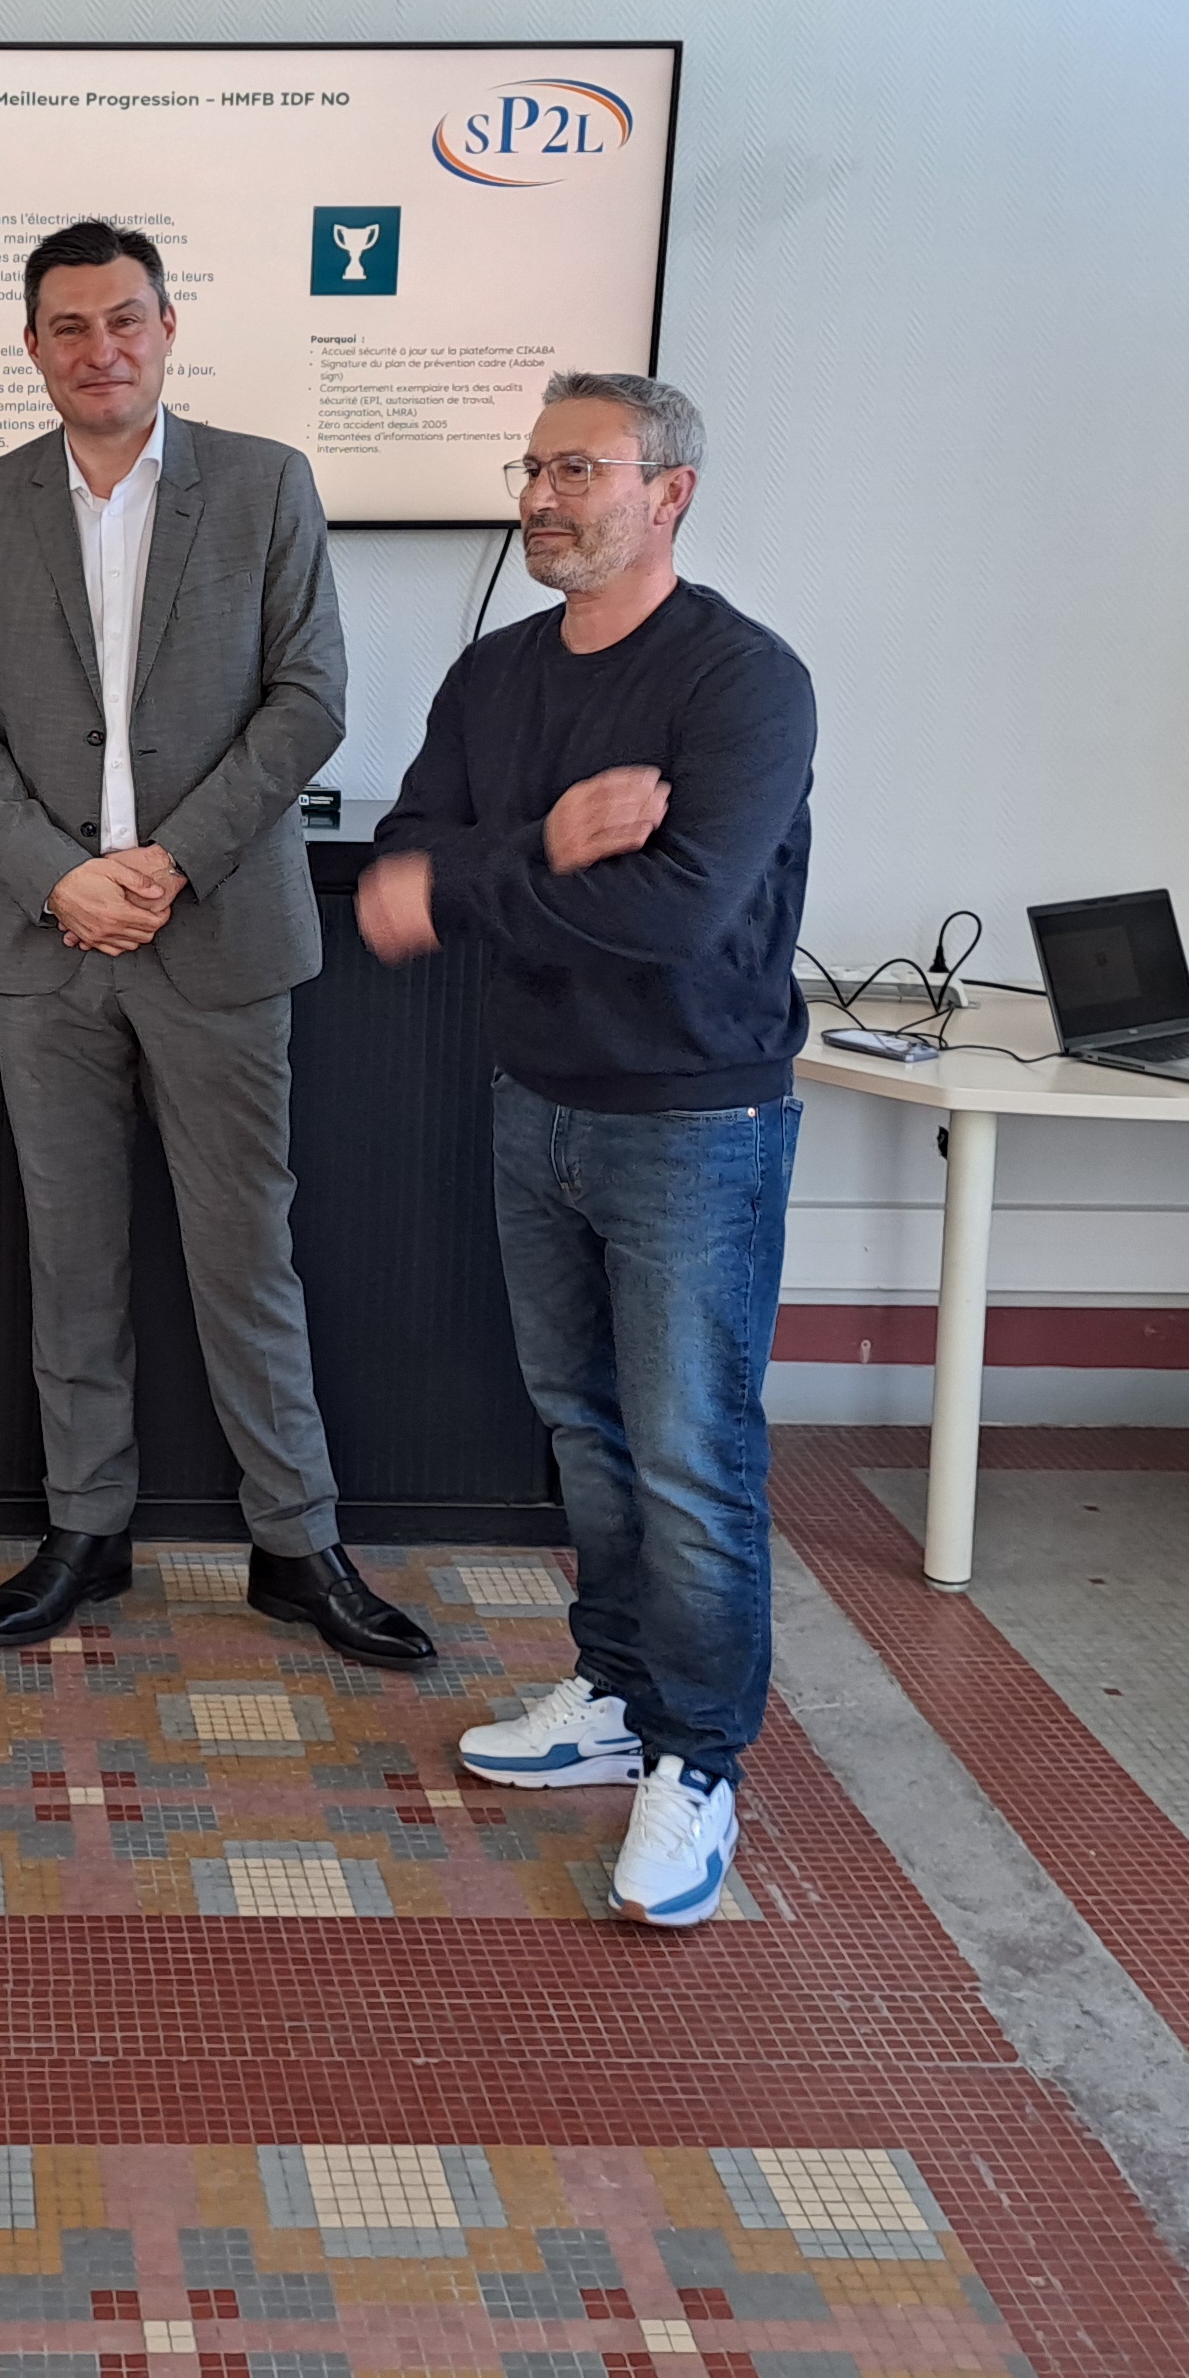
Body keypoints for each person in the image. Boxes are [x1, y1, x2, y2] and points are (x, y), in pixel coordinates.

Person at [0, 219, 433, 1666]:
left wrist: (166, 861)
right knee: (71, 1258)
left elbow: (309, 696)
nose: (101, 350)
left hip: (218, 935)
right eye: (70, 327)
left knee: (246, 1254)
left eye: (125, 321)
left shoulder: (266, 485)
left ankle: (298, 1542)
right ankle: (86, 1529)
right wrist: (54, 874)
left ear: (167, 328)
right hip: (47, 945)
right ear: (32, 347)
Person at [358, 372, 813, 1922]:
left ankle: (699, 1759)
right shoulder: (495, 679)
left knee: (691, 1460)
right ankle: (616, 1694)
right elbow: (393, 886)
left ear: (670, 491)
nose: (542, 497)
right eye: (533, 466)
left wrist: (480, 882)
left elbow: (678, 916)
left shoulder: (744, 684)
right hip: (536, 1101)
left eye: (579, 470)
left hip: (696, 1122)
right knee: (586, 1433)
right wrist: (546, 844)